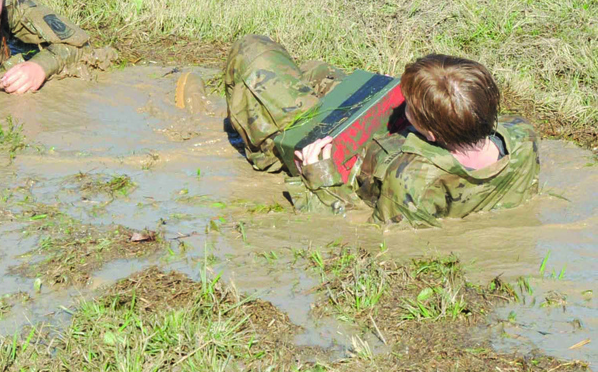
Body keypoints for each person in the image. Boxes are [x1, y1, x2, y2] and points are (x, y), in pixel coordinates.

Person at [220, 34, 540, 228]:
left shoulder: (410, 180)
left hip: (338, 155)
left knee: (254, 51)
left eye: (409, 106)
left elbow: (351, 226)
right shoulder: (522, 138)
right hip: (376, 140)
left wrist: (318, 175)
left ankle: (209, 108)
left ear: (429, 133)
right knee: (322, 72)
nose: (403, 105)